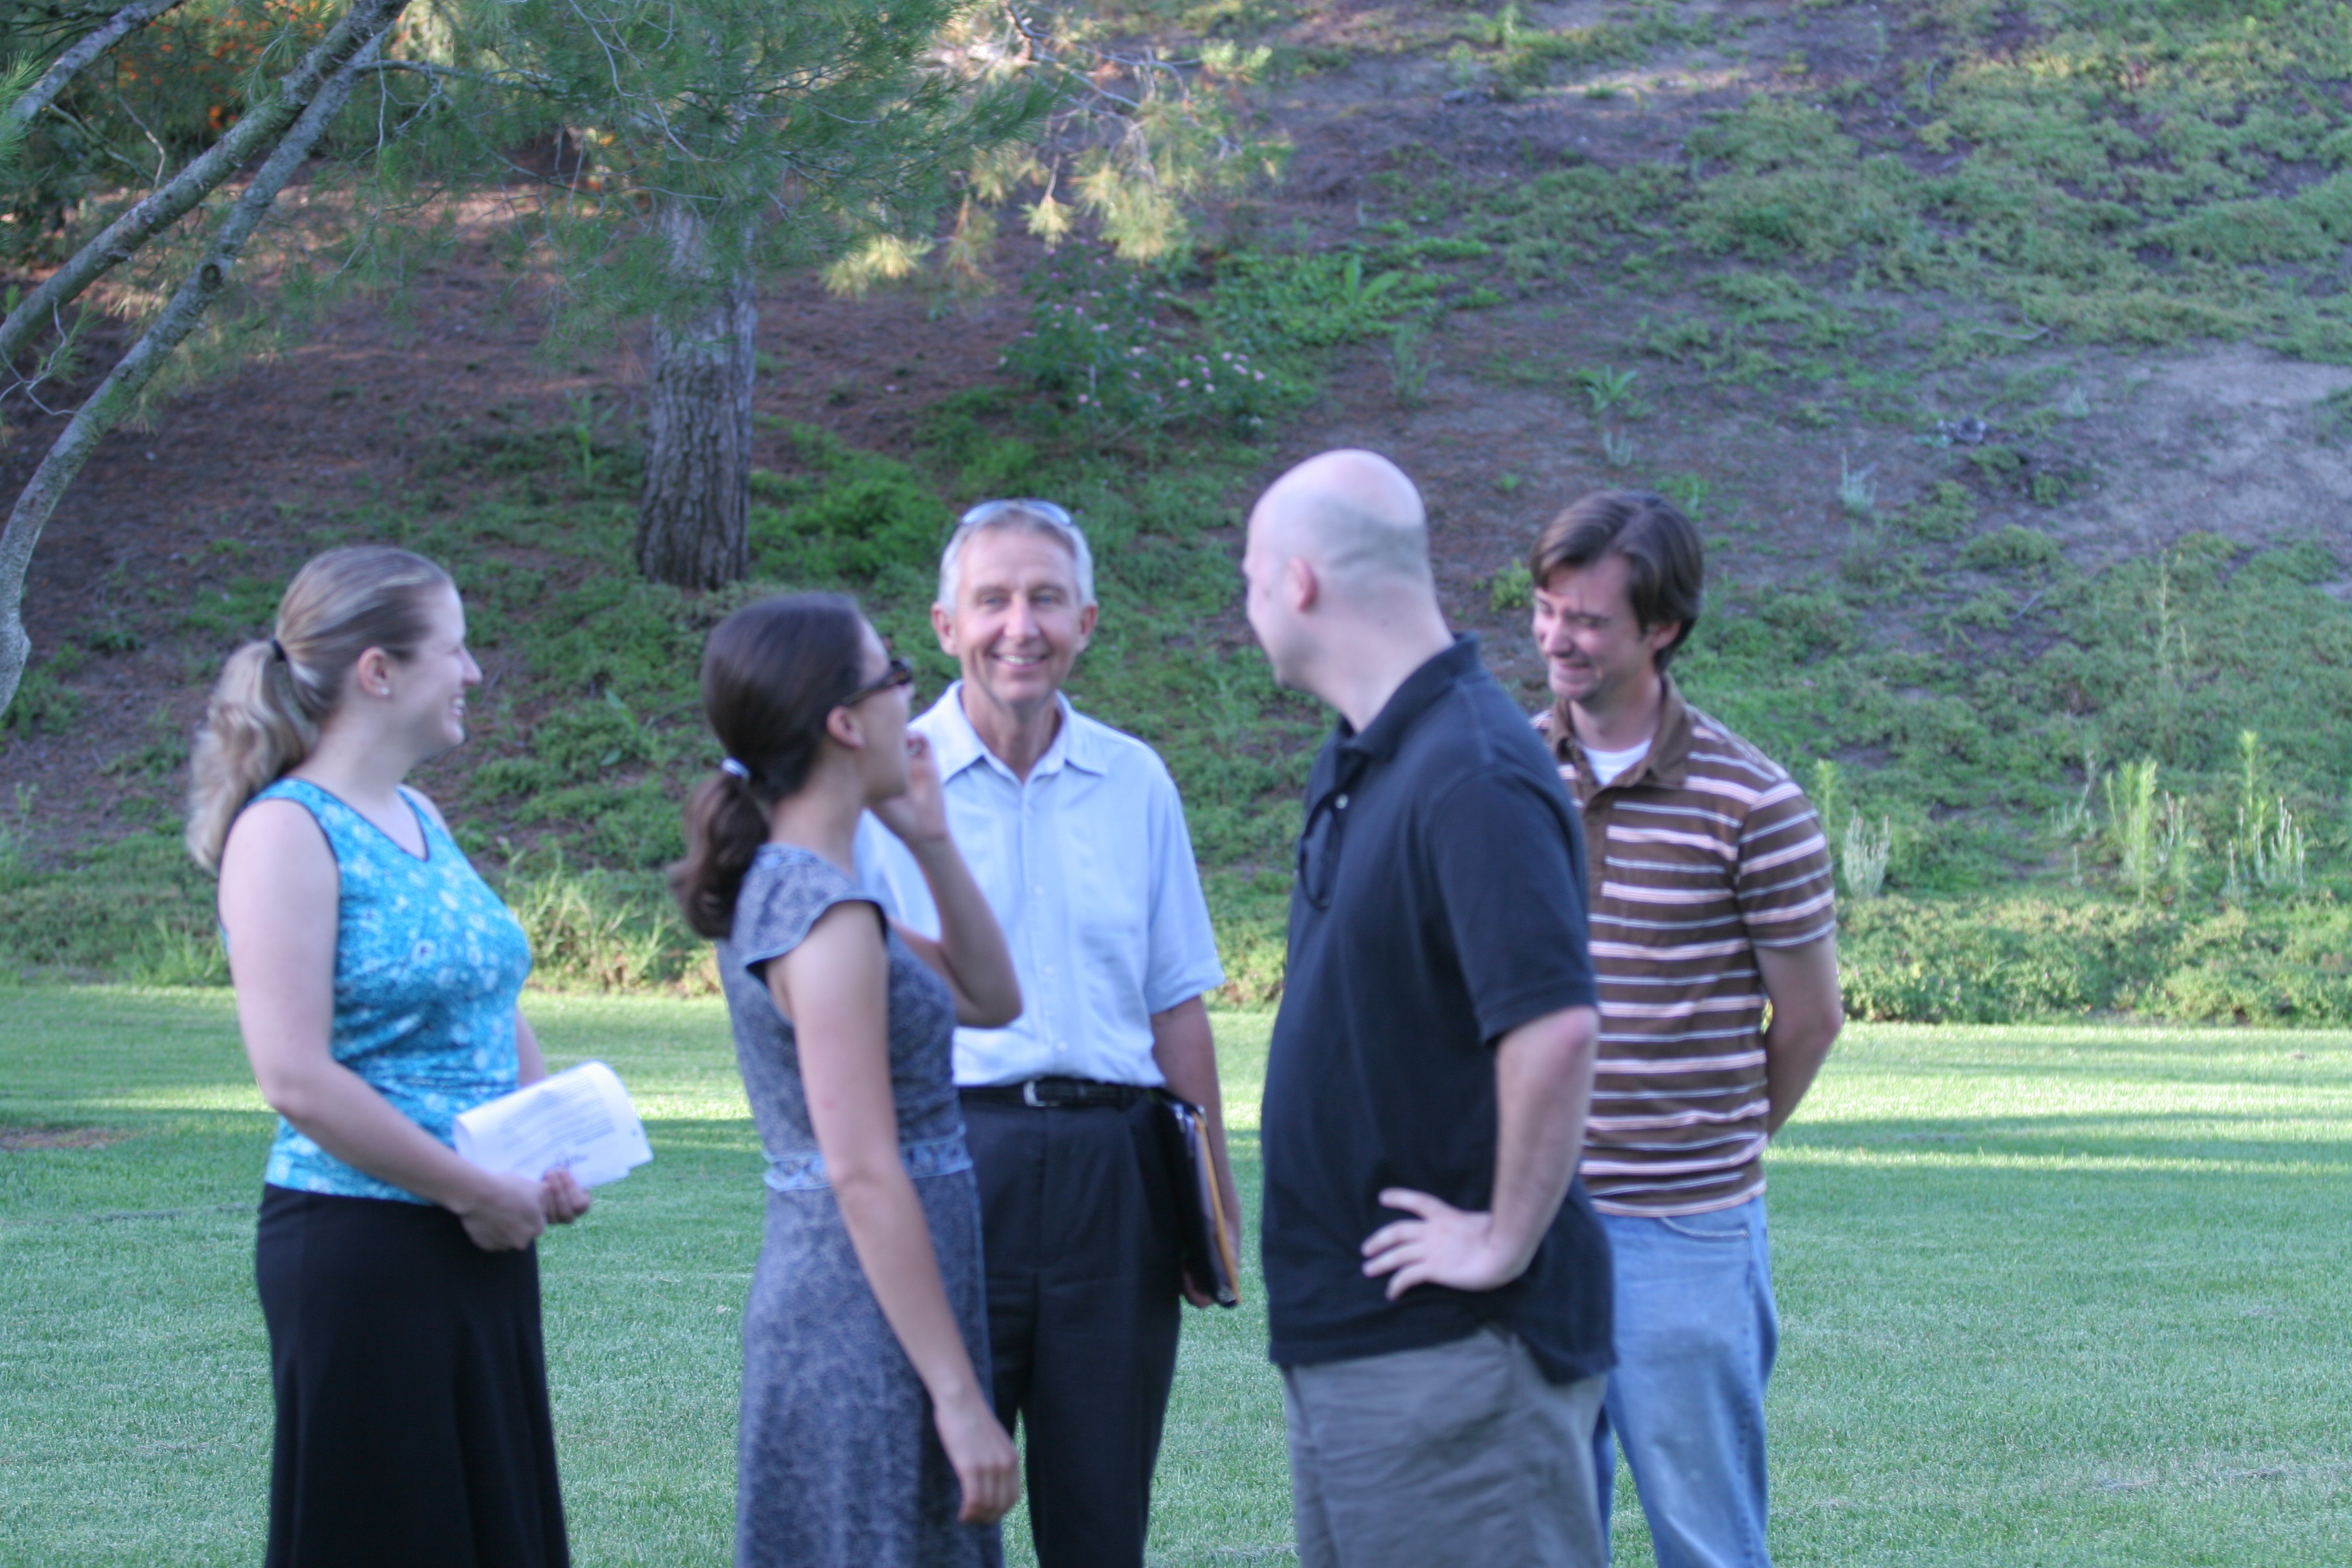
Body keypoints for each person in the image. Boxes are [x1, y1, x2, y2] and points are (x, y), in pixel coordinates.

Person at [1242, 450, 1614, 1568]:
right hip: (1364, 1336)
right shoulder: (1373, 756)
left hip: (1456, 1353)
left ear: (1299, 581)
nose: (1249, 603)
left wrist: (1502, 1239)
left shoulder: (1474, 770)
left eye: (1250, 577)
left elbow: (1556, 1025)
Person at [188, 546, 588, 1568]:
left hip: (476, 1235)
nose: (474, 673)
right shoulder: (285, 833)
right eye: (454, 650)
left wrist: (542, 1148)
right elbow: (294, 1077)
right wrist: (473, 1189)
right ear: (379, 671)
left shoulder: (420, 816)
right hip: (362, 1246)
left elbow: (489, 998)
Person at [853, 499, 1236, 1568]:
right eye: (993, 600)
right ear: (945, 625)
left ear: (1087, 623)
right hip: (947, 1163)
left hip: (1117, 1179)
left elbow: (1174, 1005)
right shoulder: (883, 782)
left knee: (1102, 1522)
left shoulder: (1136, 780)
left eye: (1047, 600)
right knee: (938, 1517)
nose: (1019, 627)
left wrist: (1212, 1203)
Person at [672, 592, 1025, 1568]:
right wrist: (959, 1398)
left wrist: (930, 840)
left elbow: (991, 997)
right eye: (893, 674)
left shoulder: (822, 893)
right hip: (858, 1317)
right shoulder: (817, 913)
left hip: (881, 1299)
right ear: (844, 722)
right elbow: (862, 1172)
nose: (912, 697)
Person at [1525, 489, 1844, 1568]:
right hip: (1529, 1221)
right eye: (1546, 610)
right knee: (1537, 1535)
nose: (1558, 639)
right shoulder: (1505, 774)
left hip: (1685, 1232)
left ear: (1663, 626)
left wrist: (1713, 1147)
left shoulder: (1754, 804)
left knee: (1706, 1542)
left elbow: (1810, 1019)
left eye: (1589, 620)